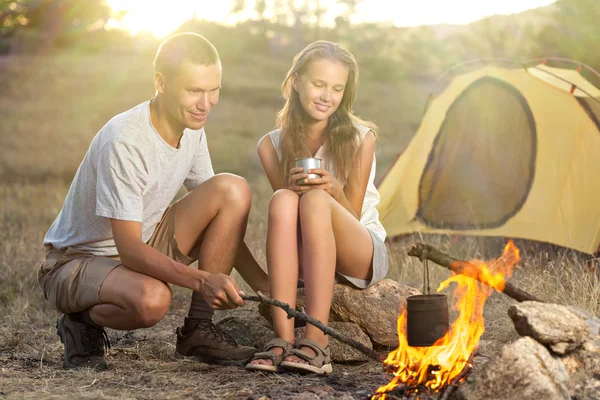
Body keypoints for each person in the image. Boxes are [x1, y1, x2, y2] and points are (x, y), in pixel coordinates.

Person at [38, 32, 269, 371]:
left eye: (213, 89)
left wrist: (263, 282)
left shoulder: (192, 126)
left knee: (232, 189)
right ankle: (79, 322)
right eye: (194, 90)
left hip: (144, 240)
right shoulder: (125, 141)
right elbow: (129, 249)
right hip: (77, 261)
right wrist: (203, 280)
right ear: (161, 83)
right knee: (153, 300)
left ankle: (198, 330)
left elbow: (222, 220)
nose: (206, 103)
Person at [246, 41, 388, 374]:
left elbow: (351, 215)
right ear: (296, 81)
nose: (327, 96)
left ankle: (317, 339)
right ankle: (282, 339)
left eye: (337, 88)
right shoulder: (270, 145)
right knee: (283, 198)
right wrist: (292, 188)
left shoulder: (360, 137)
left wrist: (334, 191)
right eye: (319, 84)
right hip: (307, 252)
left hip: (360, 250)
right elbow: (288, 224)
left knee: (314, 199)